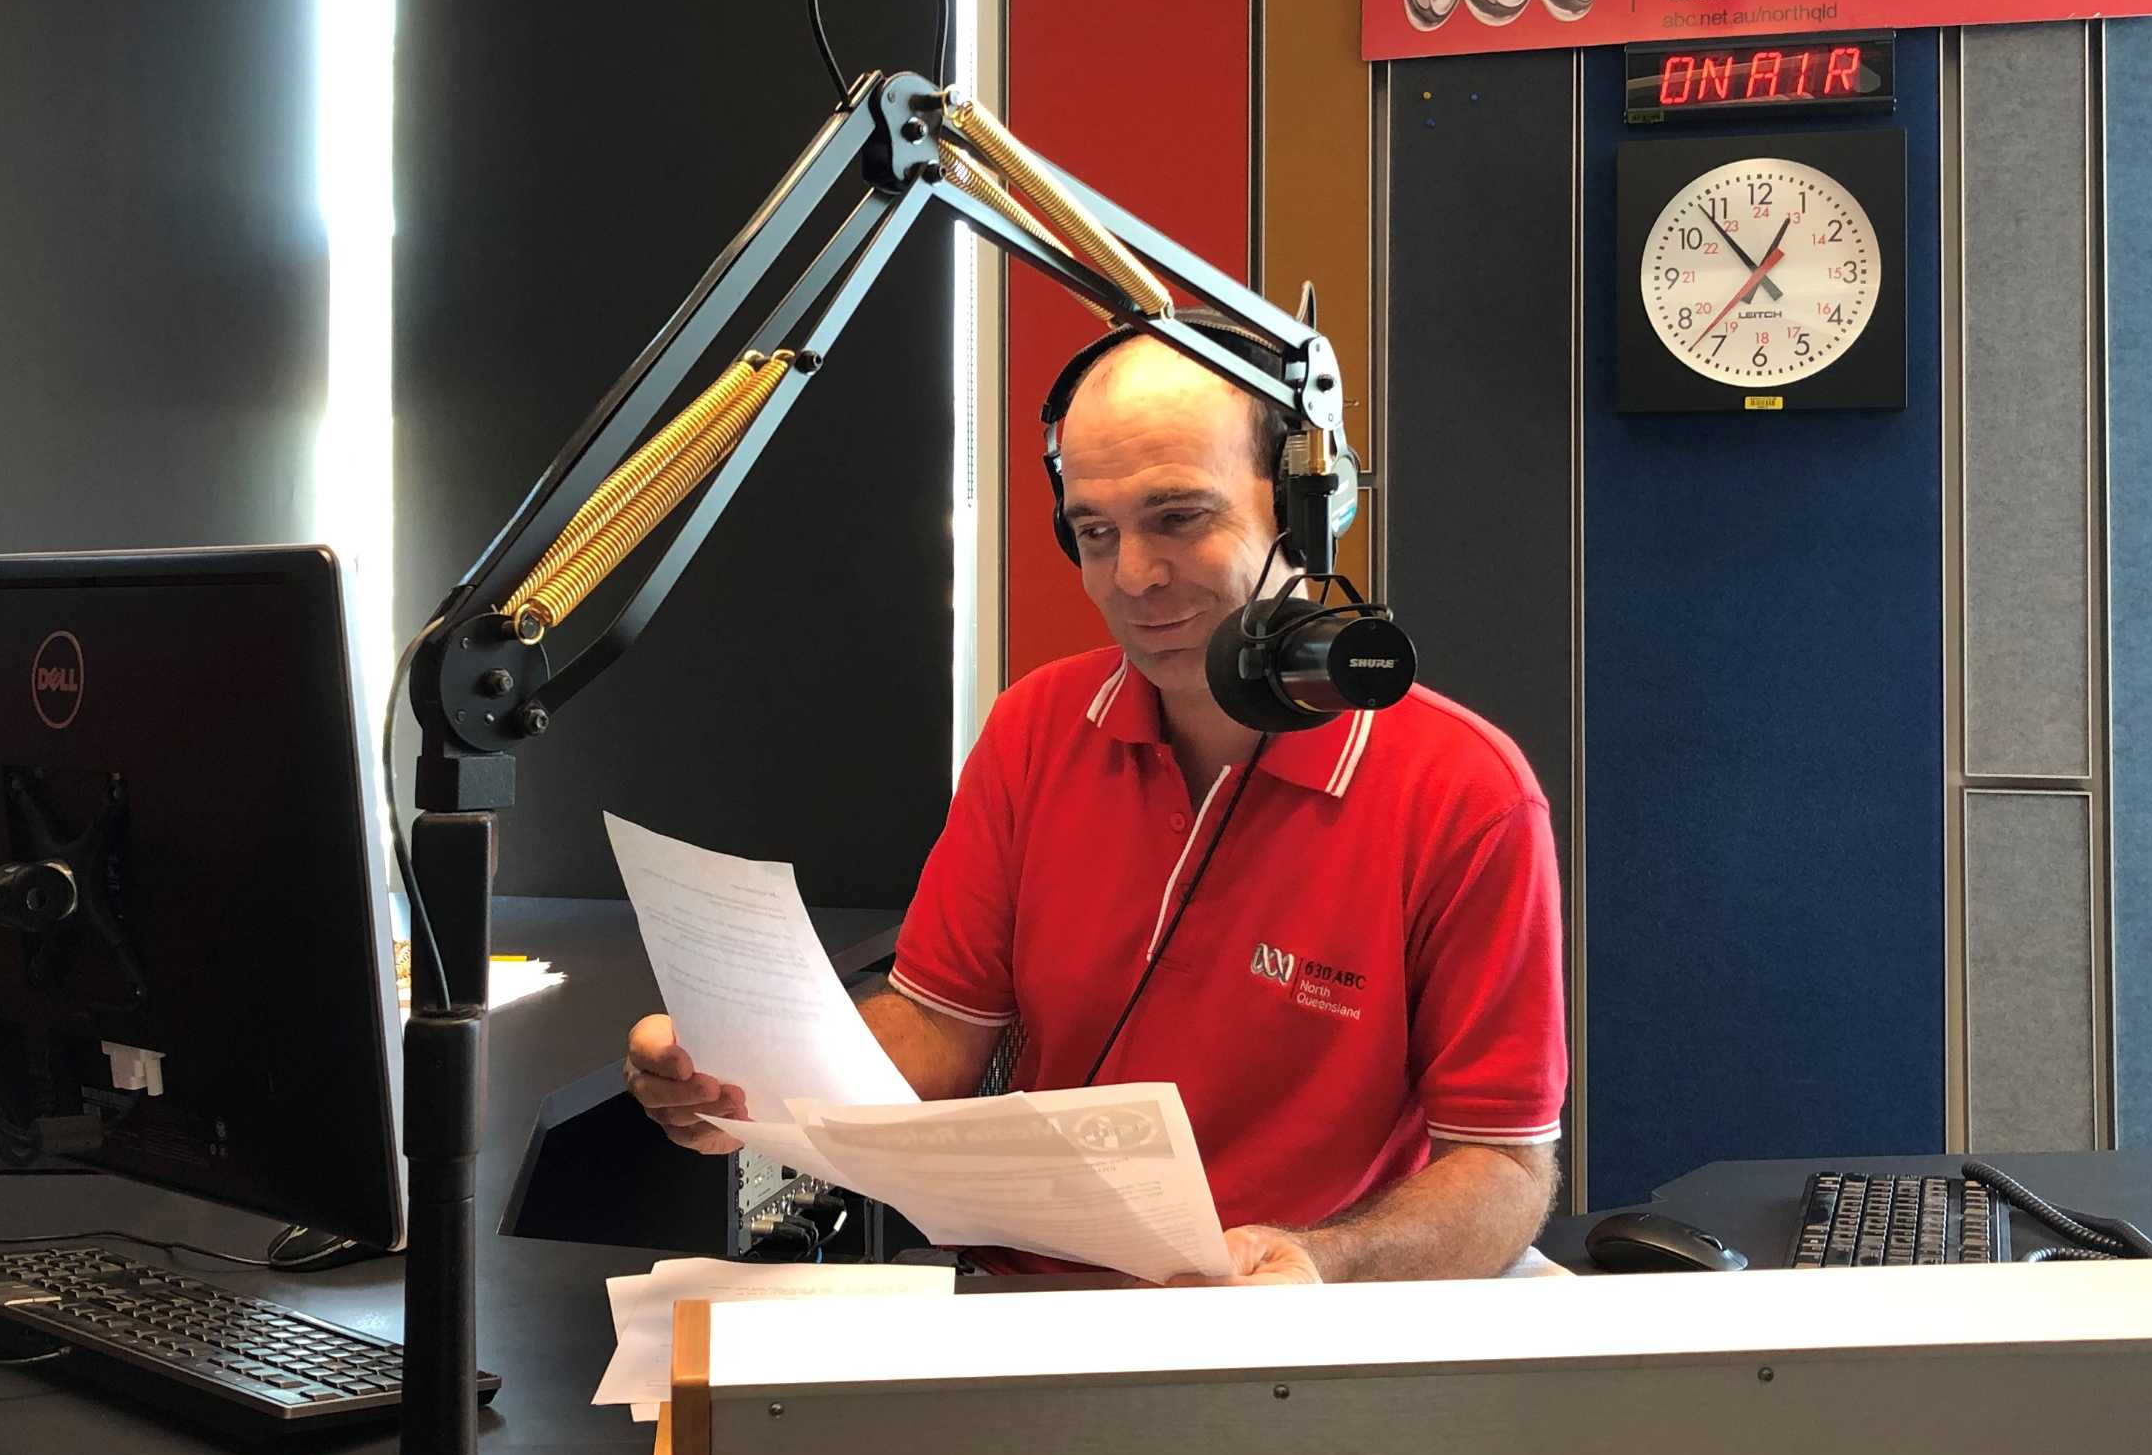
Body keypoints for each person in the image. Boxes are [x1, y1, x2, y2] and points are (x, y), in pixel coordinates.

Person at [624, 316, 1564, 1283]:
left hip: (1290, 1335)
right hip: (1028, 1310)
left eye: (1179, 518)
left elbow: (1501, 1164)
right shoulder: (1037, 728)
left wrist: (1325, 1262)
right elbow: (938, 1029)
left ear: (1302, 508)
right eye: (1094, 533)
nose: (1133, 577)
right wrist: (744, 1088)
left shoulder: (1465, 793)